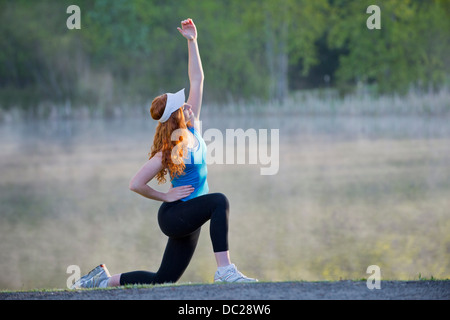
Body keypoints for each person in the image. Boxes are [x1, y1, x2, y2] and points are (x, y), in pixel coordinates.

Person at [72, 18, 257, 289]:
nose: (189, 104)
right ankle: (225, 270)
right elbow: (135, 183)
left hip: (187, 213)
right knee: (220, 201)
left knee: (163, 280)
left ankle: (101, 280)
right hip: (174, 216)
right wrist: (164, 195)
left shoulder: (192, 127)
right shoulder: (167, 151)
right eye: (183, 105)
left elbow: (198, 78)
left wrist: (192, 42)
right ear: (177, 116)